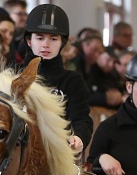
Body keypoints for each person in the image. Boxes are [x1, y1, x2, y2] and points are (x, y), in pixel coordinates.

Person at [23, 3, 93, 154]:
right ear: (29, 41)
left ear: (63, 43)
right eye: (40, 38)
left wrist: (79, 137)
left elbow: (81, 118)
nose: (46, 45)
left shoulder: (73, 81)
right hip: (16, 154)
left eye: (53, 39)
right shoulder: (12, 75)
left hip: (56, 154)